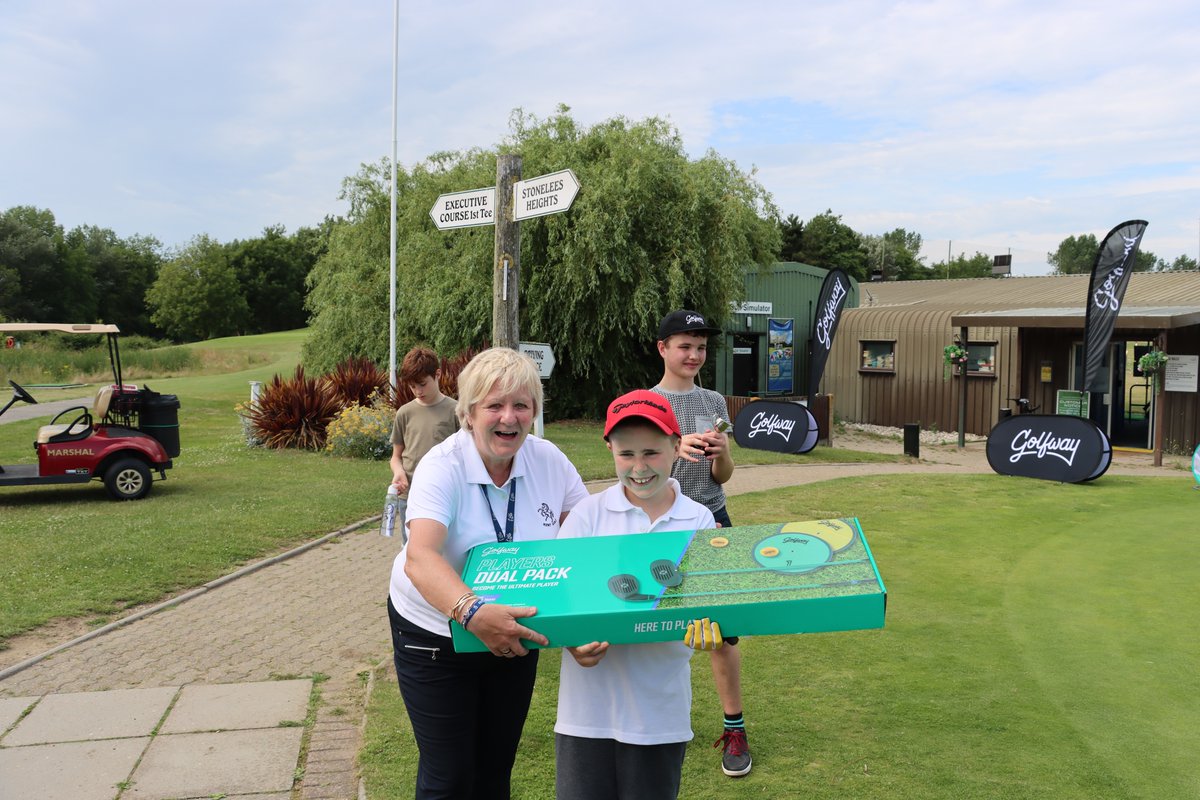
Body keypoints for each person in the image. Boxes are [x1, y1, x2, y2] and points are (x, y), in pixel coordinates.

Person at [386, 346, 589, 799]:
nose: (509, 418)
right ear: (469, 413)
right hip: (434, 630)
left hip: (514, 628)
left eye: (521, 404)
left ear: (534, 411)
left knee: (495, 768)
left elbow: (587, 535)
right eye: (494, 405)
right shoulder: (443, 466)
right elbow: (421, 557)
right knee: (449, 775)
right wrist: (473, 612)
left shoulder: (549, 460)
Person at [555, 390, 725, 800]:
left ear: (675, 445)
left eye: (651, 452)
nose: (639, 467)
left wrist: (716, 627)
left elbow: (719, 603)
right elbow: (558, 599)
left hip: (659, 713)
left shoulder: (699, 519)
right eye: (626, 454)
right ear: (610, 449)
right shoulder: (587, 515)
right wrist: (572, 641)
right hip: (585, 713)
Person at [651, 309, 752, 777]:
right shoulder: (645, 403)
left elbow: (722, 477)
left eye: (701, 347)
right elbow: (637, 479)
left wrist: (723, 452)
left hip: (713, 522)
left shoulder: (714, 401)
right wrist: (674, 450)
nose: (693, 355)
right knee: (647, 627)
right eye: (684, 345)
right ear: (663, 349)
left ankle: (735, 728)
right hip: (657, 527)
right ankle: (647, 728)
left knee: (722, 633)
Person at [389, 346, 459, 530]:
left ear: (437, 374)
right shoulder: (404, 413)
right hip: (410, 495)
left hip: (446, 493)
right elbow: (396, 456)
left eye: (422, 384)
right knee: (410, 550)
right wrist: (399, 472)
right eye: (412, 386)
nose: (418, 391)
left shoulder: (456, 411)